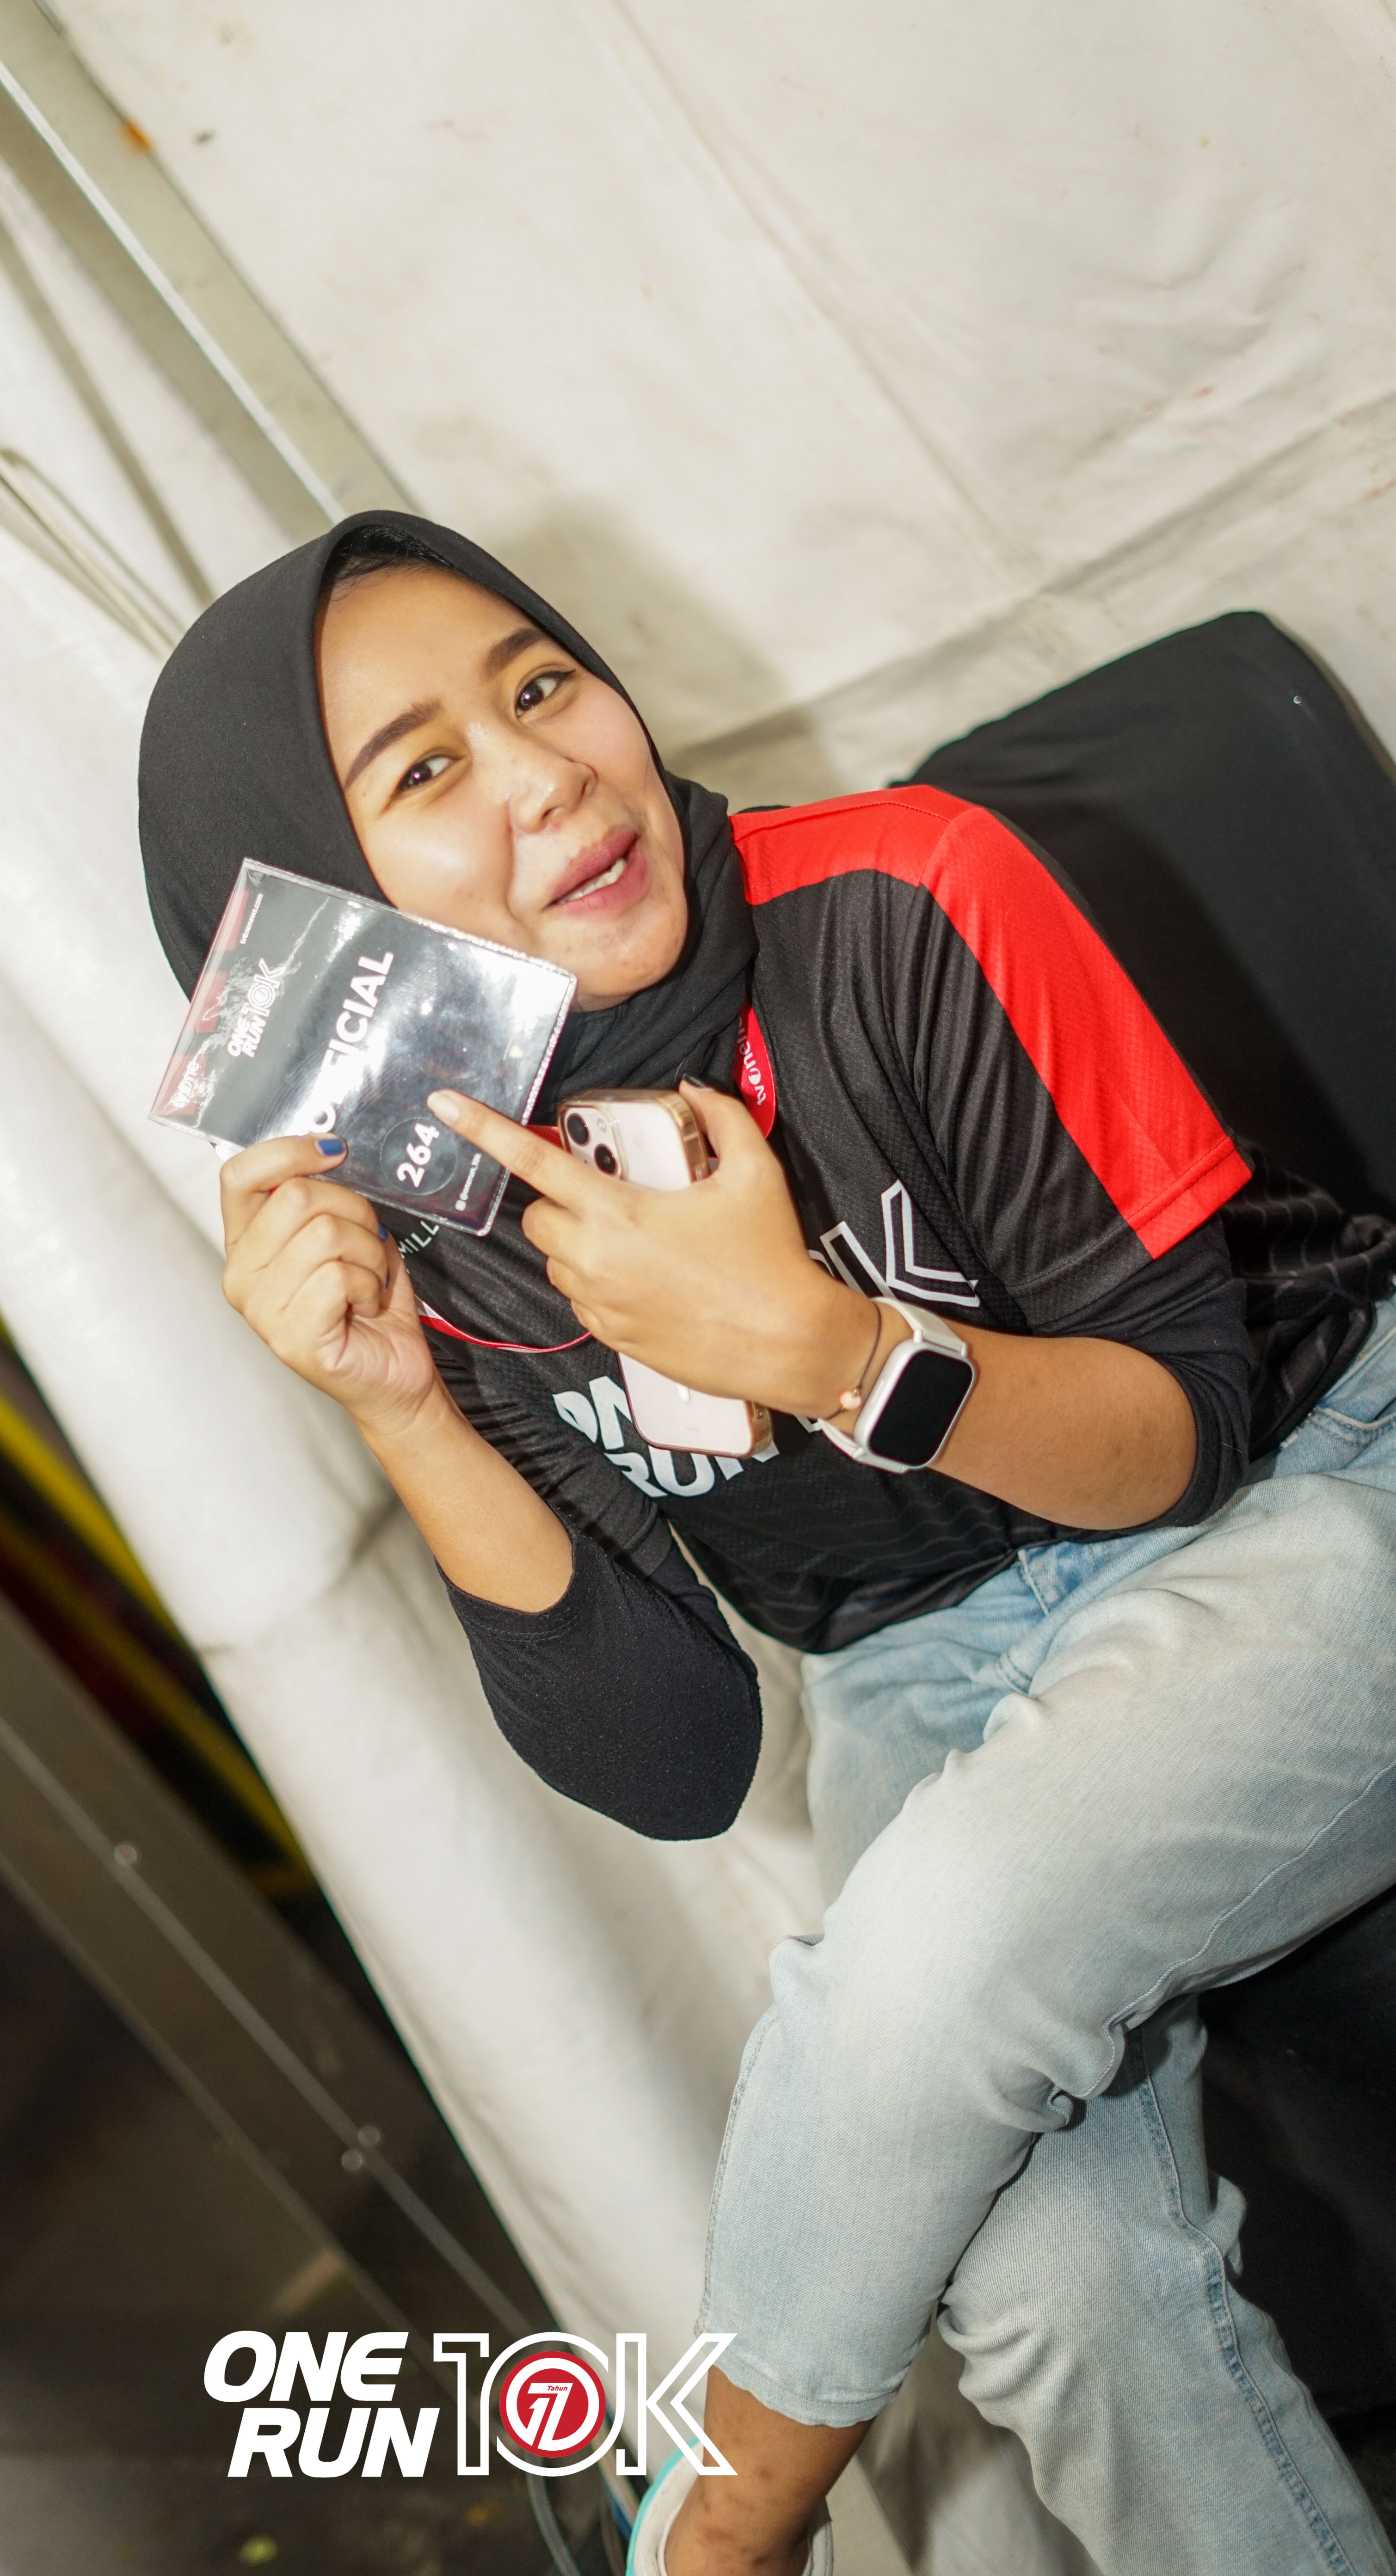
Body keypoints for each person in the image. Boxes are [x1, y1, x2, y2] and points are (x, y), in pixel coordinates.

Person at [138, 513, 1396, 2576]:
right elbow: (677, 1759)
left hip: (1313, 1487)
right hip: (920, 1656)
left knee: (941, 1939)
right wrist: (399, 1405)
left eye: (542, 684)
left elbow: (1181, 1441)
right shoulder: (433, 1223)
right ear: (311, 923)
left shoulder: (900, 891)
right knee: (1044, 2292)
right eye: (426, 768)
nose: (547, 770)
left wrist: (832, 1354)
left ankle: (722, 2522)